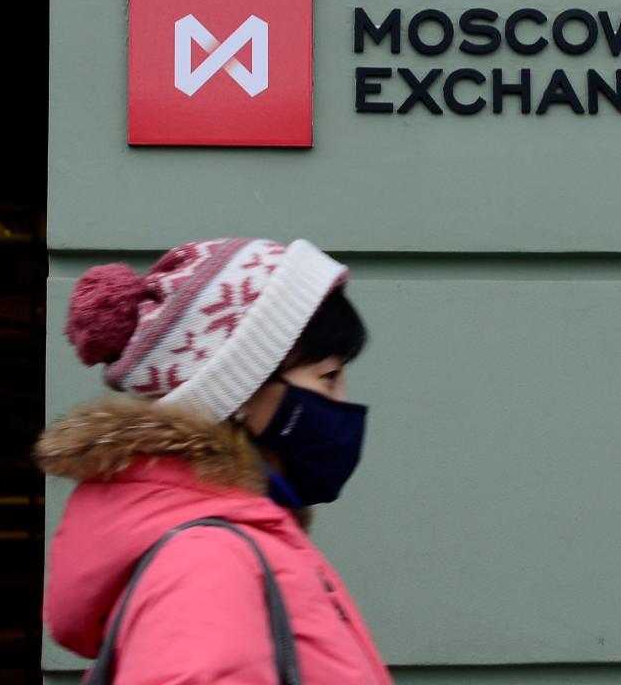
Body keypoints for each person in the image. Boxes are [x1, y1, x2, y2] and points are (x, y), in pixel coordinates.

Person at [35, 236, 394, 684]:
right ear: (241, 392)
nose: (343, 402)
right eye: (329, 377)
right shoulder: (209, 561)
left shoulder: (235, 541)